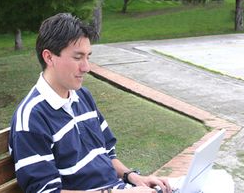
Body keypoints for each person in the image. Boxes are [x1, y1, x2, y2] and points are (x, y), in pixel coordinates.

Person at [9, 13, 172, 193]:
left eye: (88, 57)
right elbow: (45, 191)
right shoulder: (32, 117)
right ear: (49, 57)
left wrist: (133, 177)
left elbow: (106, 153)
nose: (86, 67)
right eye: (78, 58)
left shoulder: (82, 96)